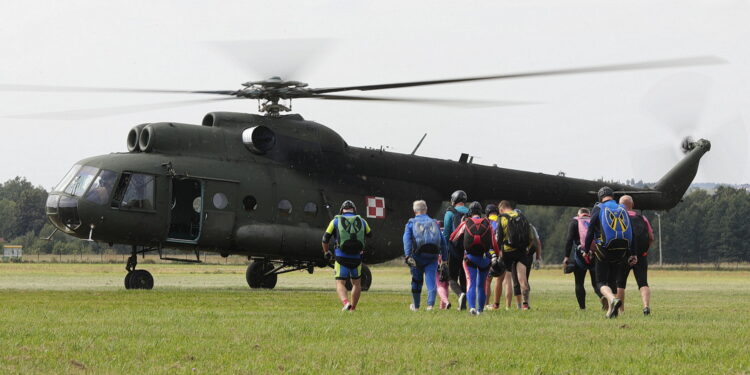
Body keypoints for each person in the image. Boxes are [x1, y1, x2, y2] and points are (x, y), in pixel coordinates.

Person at [584, 187, 638, 319]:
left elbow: (590, 232)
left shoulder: (598, 208)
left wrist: (586, 250)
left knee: (600, 282)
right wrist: (634, 253)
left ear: (600, 197)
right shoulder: (622, 208)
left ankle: (612, 300)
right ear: (612, 196)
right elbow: (631, 231)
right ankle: (611, 312)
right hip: (621, 252)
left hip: (604, 250)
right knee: (613, 281)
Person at [449, 201, 500, 315]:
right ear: (481, 212)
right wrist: (495, 256)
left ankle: (472, 308)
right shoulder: (487, 223)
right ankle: (480, 310)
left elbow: (453, 238)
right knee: (481, 285)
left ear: (470, 212)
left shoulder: (466, 223)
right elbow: (494, 243)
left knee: (470, 283)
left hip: (470, 258)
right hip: (485, 259)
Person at [322, 200, 372, 311]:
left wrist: (326, 252)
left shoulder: (335, 221)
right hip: (357, 258)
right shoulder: (362, 221)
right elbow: (370, 234)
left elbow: (325, 239)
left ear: (341, 210)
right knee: (356, 283)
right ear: (354, 210)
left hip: (341, 257)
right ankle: (353, 308)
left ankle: (346, 303)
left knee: (340, 282)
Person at [403, 200, 448, 311]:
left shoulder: (411, 223)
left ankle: (416, 306)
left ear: (414, 210)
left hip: (417, 256)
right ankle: (430, 306)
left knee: (417, 281)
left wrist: (408, 255)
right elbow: (443, 242)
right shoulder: (434, 222)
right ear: (426, 210)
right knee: (431, 280)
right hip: (432, 257)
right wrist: (445, 259)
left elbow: (406, 240)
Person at [616, 195, 654, 316]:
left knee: (620, 284)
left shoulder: (618, 218)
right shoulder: (642, 218)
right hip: (641, 256)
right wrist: (644, 251)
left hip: (623, 256)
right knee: (643, 283)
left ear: (620, 205)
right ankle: (646, 306)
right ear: (632, 205)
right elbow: (651, 237)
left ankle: (621, 311)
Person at [562, 207, 605, 310]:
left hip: (580, 256)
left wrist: (566, 256)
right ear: (588, 214)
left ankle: (582, 308)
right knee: (596, 283)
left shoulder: (575, 221)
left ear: (579, 214)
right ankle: (603, 297)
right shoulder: (595, 220)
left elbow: (569, 240)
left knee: (579, 282)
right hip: (595, 255)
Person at [496, 200, 533, 310]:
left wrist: (500, 252)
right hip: (521, 250)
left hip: (508, 251)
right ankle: (525, 304)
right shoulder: (521, 216)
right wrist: (526, 248)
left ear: (501, 209)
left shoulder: (502, 217)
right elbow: (530, 236)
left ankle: (508, 306)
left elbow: (499, 239)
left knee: (507, 280)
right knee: (523, 278)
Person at [443, 190, 470, 310]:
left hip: (453, 249)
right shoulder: (470, 212)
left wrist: (443, 251)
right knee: (464, 277)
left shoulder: (450, 213)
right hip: (468, 250)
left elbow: (446, 234)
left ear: (453, 200)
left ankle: (460, 294)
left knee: (451, 277)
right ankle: (463, 305)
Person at [483, 204, 506, 310]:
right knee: (499, 280)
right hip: (502, 253)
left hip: (490, 253)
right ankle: (496, 304)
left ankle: (486, 303)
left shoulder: (486, 222)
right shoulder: (502, 220)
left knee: (487, 280)